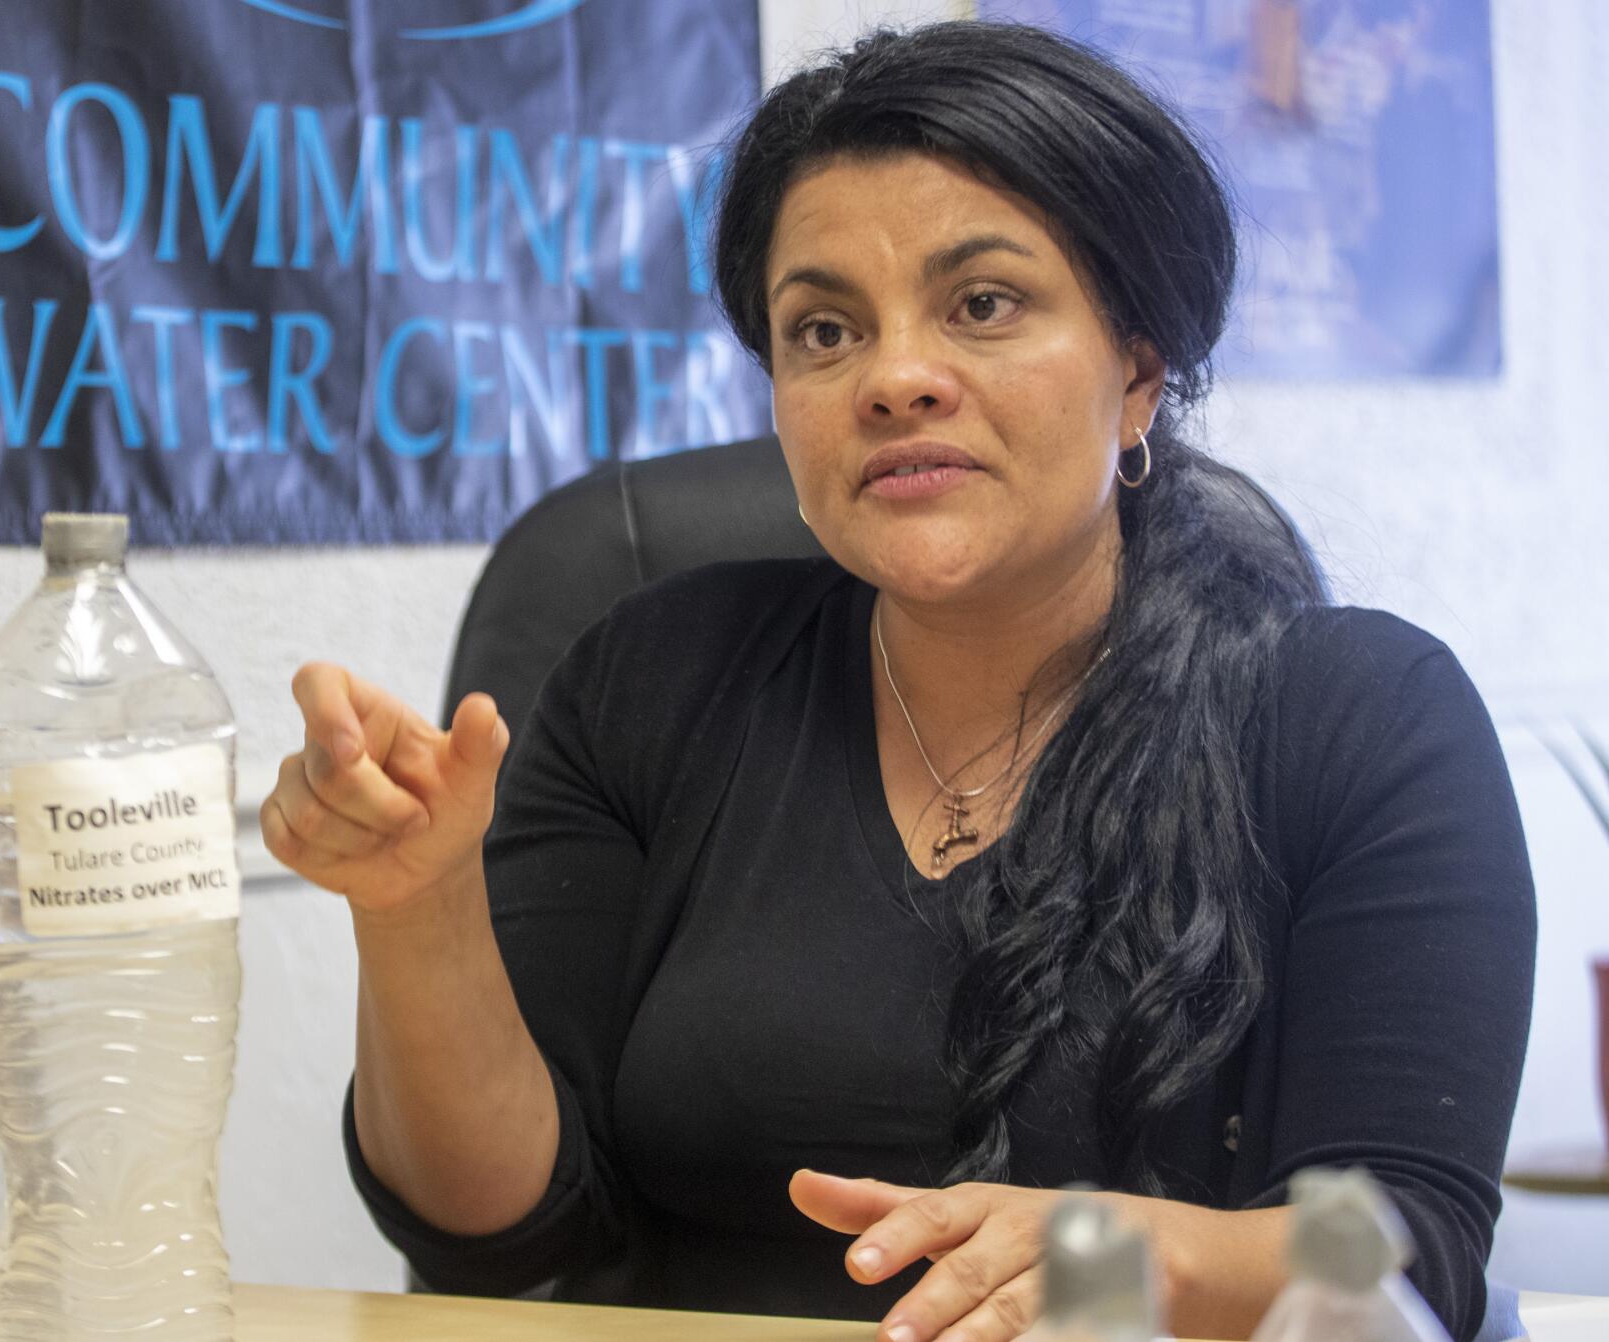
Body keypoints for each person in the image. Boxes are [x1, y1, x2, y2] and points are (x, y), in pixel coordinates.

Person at [260, 21, 1535, 1342]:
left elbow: (1401, 1243)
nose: (892, 379)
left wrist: (1116, 1253)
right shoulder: (650, 679)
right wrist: (416, 912)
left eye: (983, 304)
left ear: (1139, 369)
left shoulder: (1364, 717)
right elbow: (499, 1228)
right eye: (824, 329)